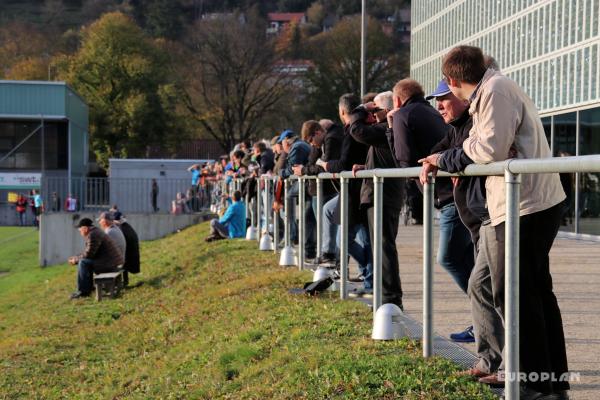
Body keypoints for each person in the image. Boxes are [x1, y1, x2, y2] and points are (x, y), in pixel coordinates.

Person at [442, 45, 568, 399]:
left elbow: (489, 149)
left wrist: (447, 157)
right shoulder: (493, 89)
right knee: (532, 295)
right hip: (527, 203)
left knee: (516, 295)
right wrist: (471, 148)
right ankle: (549, 384)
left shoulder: (495, 90)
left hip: (524, 205)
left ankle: (531, 383)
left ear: (452, 80)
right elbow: (485, 144)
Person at [418, 79, 503, 370]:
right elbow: (435, 152)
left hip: (493, 217)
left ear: (463, 98)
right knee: (485, 288)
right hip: (481, 220)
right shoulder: (455, 128)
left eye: (445, 98)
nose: (439, 106)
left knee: (485, 287)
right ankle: (493, 359)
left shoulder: (474, 123)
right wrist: (435, 160)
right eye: (437, 100)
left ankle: (497, 362)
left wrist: (442, 159)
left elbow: (468, 153)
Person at [348, 91, 404, 306]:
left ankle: (390, 298)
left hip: (384, 194)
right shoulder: (385, 130)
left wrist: (360, 110)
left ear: (387, 110)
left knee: (384, 247)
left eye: (375, 110)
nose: (371, 115)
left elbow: (357, 130)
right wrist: (367, 167)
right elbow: (386, 157)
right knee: (381, 246)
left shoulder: (386, 129)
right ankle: (387, 296)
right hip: (383, 192)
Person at [320, 93, 373, 295]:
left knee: (347, 239)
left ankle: (369, 271)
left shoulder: (352, 130)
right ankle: (369, 277)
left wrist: (326, 165)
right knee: (363, 237)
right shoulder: (360, 126)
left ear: (343, 111)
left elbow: (344, 163)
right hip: (360, 190)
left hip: (355, 191)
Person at [68, 218, 124, 299]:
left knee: (83, 263)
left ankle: (83, 292)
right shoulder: (96, 232)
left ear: (85, 228)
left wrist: (75, 260)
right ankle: (88, 288)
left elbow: (89, 255)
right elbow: (89, 252)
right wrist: (77, 257)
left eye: (80, 230)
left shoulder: (93, 235)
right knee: (84, 262)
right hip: (110, 261)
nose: (80, 232)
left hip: (109, 264)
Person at [114, 213, 140, 287]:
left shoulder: (122, 229)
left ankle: (122, 283)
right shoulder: (126, 226)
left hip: (129, 254)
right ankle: (125, 282)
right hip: (132, 253)